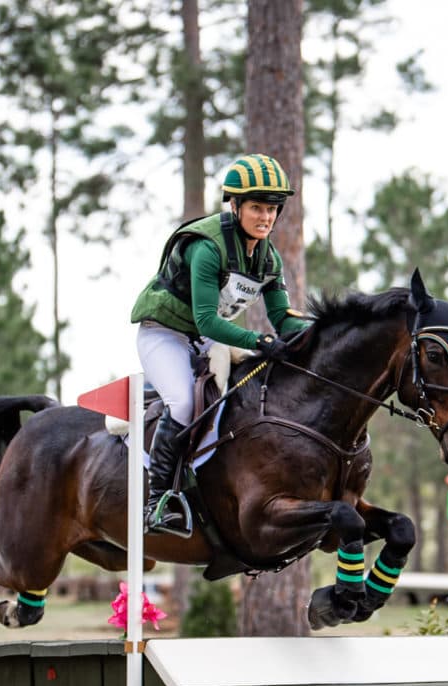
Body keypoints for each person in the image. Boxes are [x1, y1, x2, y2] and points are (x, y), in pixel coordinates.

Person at [129, 153, 312, 535]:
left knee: (246, 396)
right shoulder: (207, 248)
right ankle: (158, 502)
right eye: (257, 208)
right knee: (183, 402)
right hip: (164, 333)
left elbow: (282, 318)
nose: (265, 217)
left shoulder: (269, 259)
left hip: (204, 339)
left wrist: (320, 331)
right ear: (235, 206)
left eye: (272, 209)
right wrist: (259, 340)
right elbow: (207, 320)